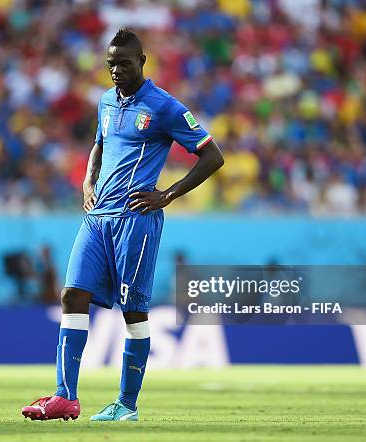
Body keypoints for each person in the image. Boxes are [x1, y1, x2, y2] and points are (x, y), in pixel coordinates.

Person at [21, 28, 224, 422]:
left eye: (124, 63)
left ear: (142, 63)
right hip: (97, 218)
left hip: (136, 221)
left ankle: (126, 406)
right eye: (111, 63)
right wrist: (87, 181)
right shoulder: (105, 103)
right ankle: (65, 397)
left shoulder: (164, 107)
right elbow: (99, 143)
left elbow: (213, 156)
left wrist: (167, 195)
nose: (116, 70)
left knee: (133, 313)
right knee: (72, 296)